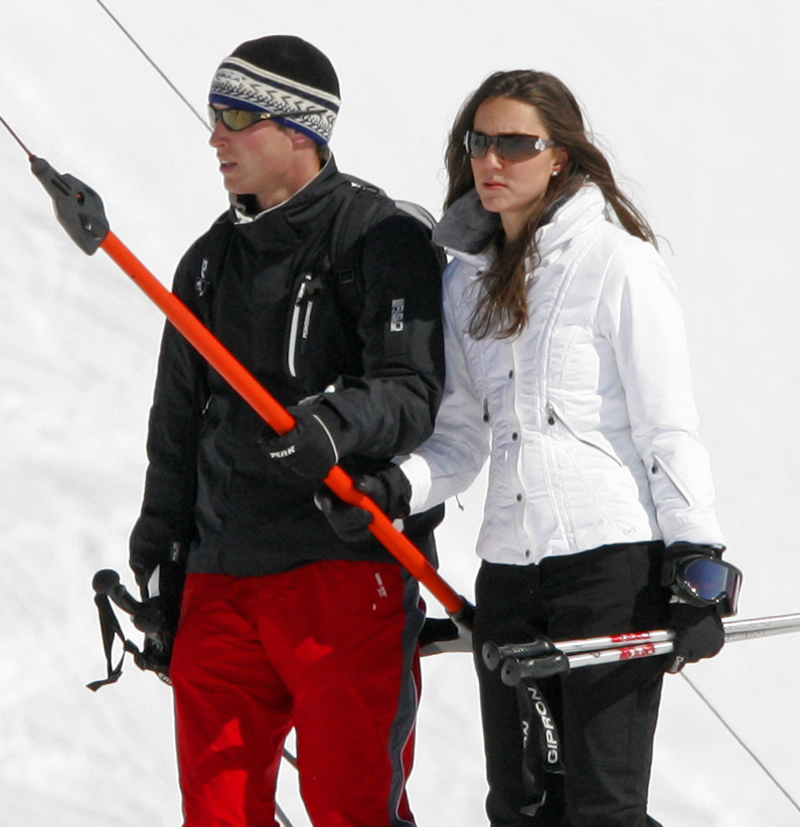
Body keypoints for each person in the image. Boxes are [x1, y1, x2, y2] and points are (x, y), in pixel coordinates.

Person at [318, 70, 741, 827]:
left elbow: (667, 428)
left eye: (516, 143)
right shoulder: (462, 285)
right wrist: (393, 488)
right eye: (480, 142)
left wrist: (698, 565)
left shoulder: (618, 265)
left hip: (610, 569)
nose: (491, 160)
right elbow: (459, 438)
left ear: (560, 158)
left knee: (602, 808)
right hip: (511, 573)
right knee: (521, 807)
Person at [128, 35, 445, 827]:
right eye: (213, 116)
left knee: (351, 808)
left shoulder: (378, 238)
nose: (215, 138)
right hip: (222, 579)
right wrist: (161, 562)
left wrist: (330, 427)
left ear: (301, 129)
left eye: (236, 117)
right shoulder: (207, 263)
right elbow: (174, 430)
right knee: (218, 811)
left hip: (343, 573)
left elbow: (411, 390)